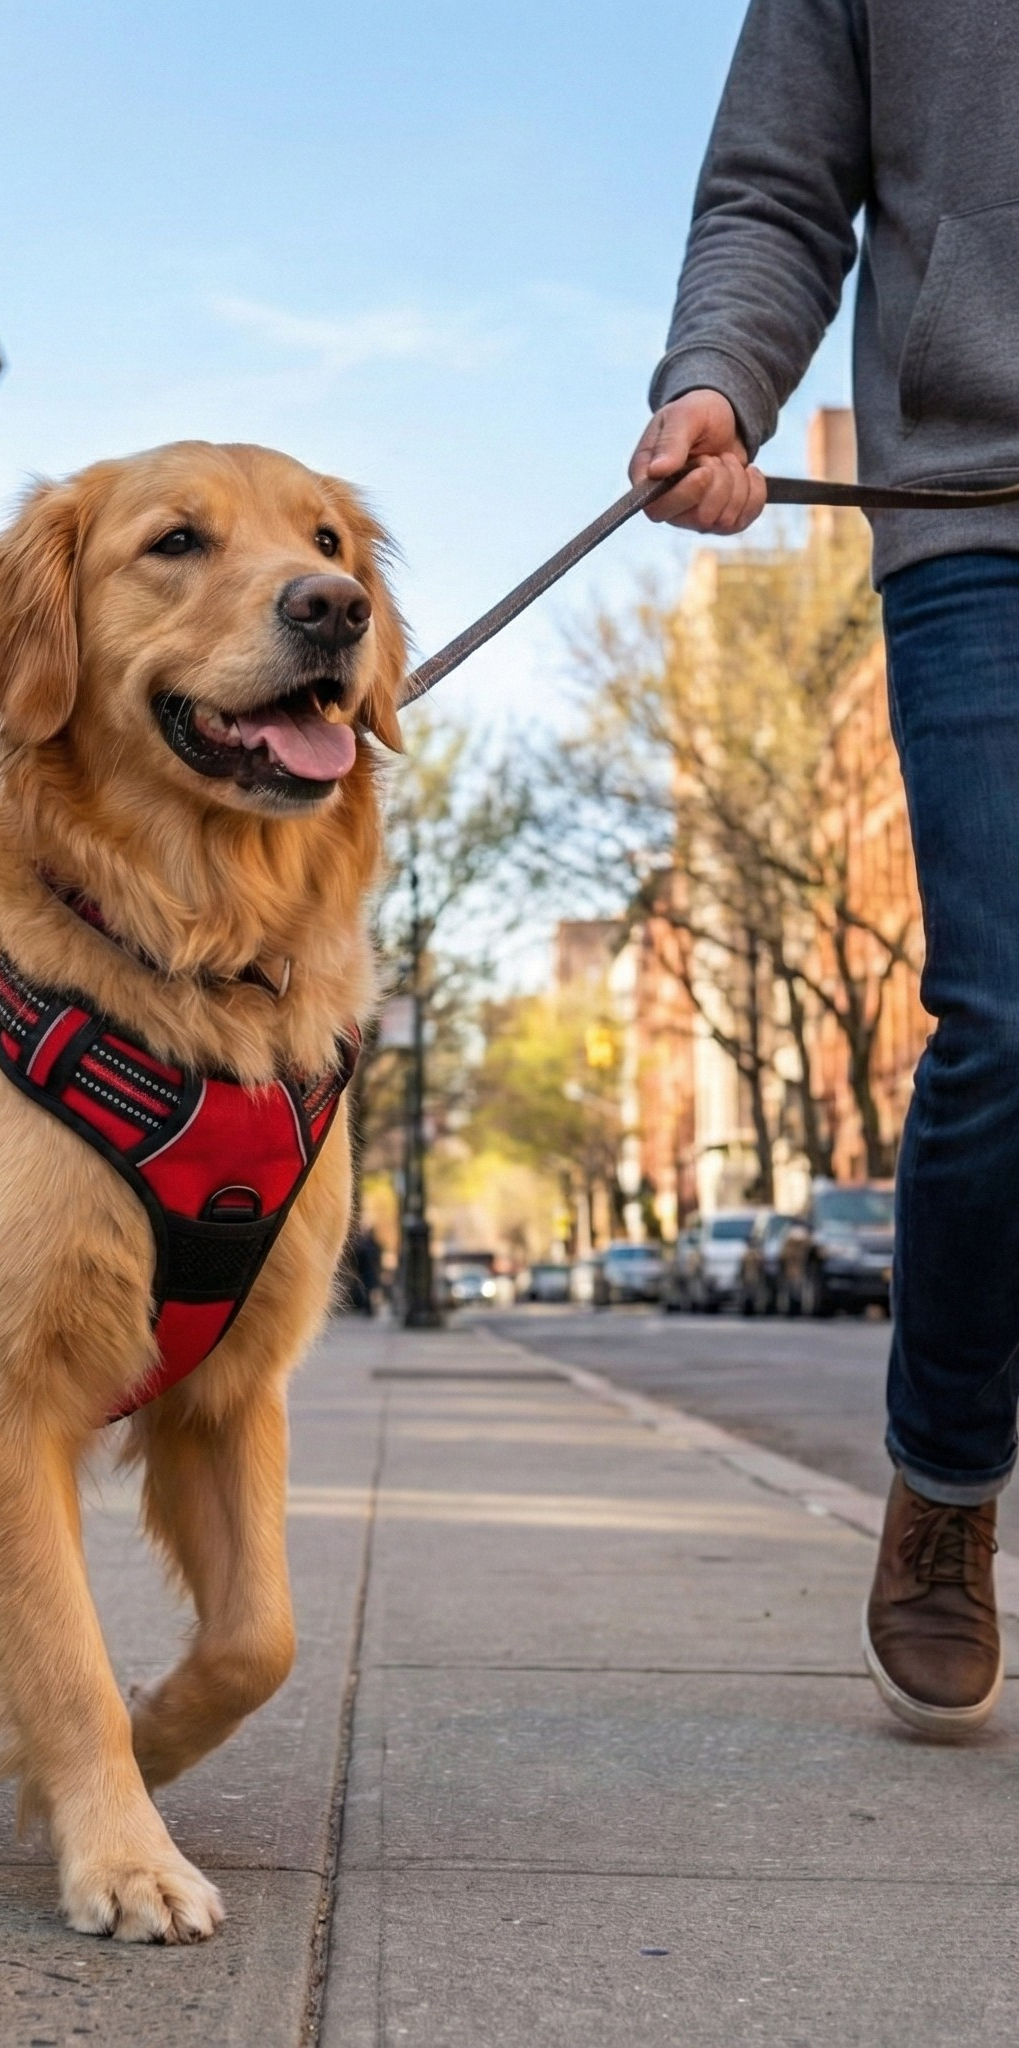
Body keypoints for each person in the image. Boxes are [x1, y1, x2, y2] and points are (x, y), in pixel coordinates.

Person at [633, 0, 1016, 1737]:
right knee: (1007, 1019)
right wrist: (719, 381)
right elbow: (781, 188)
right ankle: (945, 1477)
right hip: (980, 514)